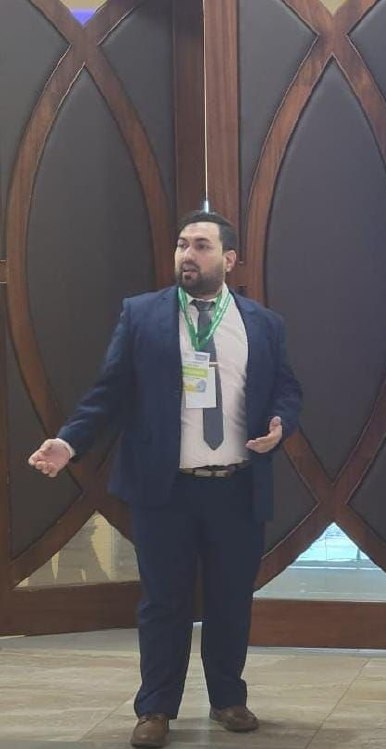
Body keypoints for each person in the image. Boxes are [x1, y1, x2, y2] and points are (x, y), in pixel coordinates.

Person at [28, 210, 302, 749]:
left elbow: (286, 389)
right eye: (182, 245)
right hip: (165, 490)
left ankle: (228, 698)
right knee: (163, 602)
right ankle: (154, 708)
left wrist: (280, 423)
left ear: (229, 259)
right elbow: (108, 393)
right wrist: (69, 442)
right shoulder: (142, 315)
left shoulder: (263, 324)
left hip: (237, 486)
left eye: (201, 246)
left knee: (230, 600)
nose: (187, 255)